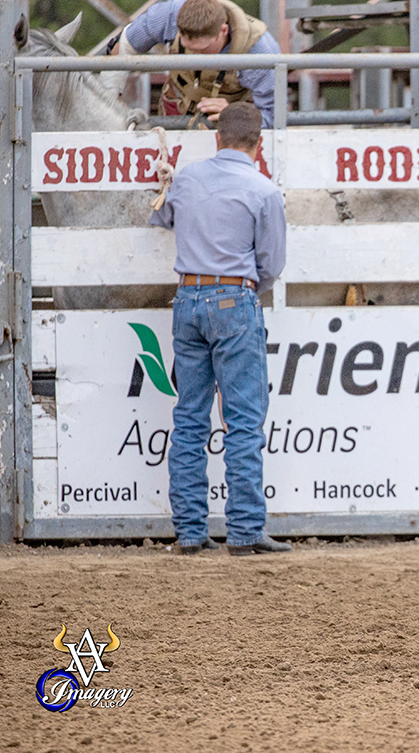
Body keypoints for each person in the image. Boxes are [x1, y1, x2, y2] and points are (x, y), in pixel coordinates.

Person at [150, 102, 289, 556]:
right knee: (243, 419)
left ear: (217, 138)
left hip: (187, 298)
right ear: (258, 143)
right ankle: (246, 530)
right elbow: (271, 265)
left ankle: (190, 531)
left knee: (189, 416)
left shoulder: (187, 178)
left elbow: (163, 217)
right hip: (234, 300)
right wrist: (244, 289)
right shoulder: (263, 191)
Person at [108, 0, 279, 128]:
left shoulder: (259, 50)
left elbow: (273, 117)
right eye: (188, 48)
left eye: (202, 49)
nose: (195, 56)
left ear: (223, 31)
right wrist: (110, 99)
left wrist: (235, 115)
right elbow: (124, 44)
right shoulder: (169, 15)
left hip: (228, 128)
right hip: (174, 104)